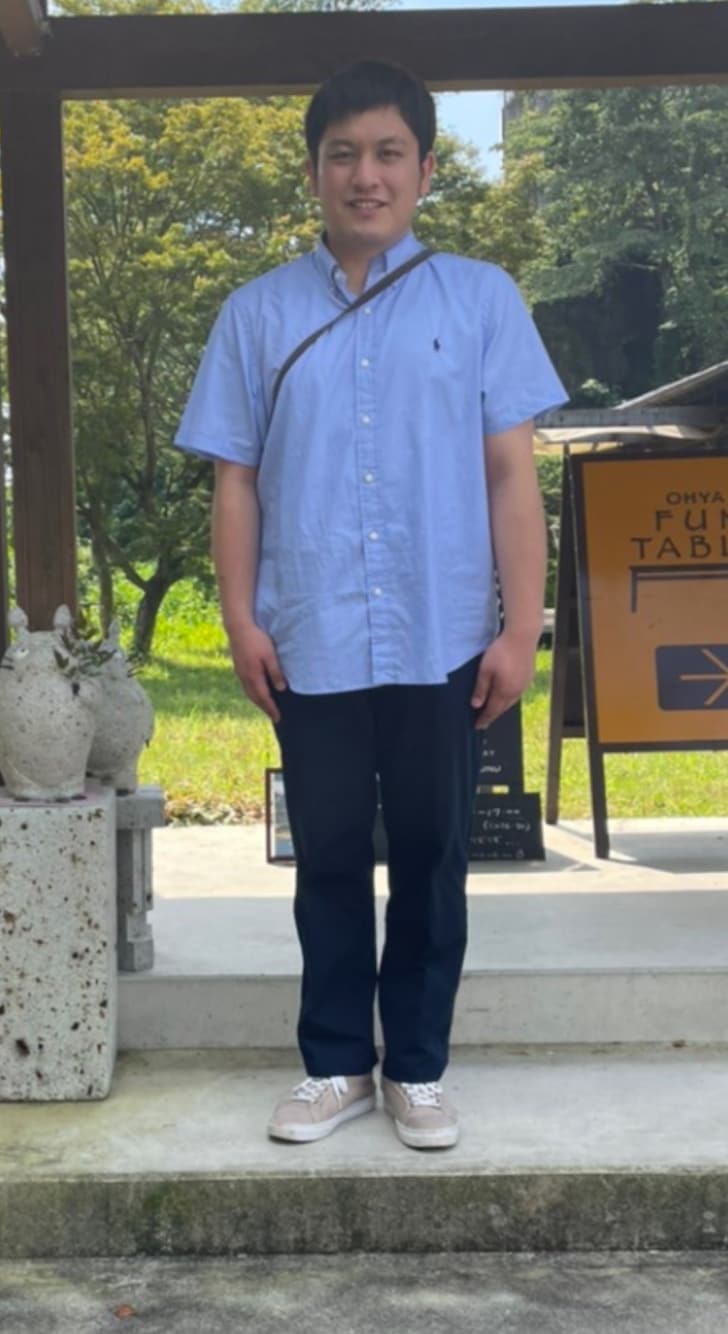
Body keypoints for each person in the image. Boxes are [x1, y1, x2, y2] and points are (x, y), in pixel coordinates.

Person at [174, 60, 566, 1150]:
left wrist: (519, 628)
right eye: (343, 154)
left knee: (435, 851)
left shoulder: (480, 299)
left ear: (426, 170)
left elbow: (510, 476)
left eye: (389, 153)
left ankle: (420, 1068)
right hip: (314, 634)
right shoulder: (256, 315)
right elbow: (237, 481)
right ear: (313, 172)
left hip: (444, 631)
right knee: (331, 853)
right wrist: (241, 620)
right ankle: (337, 1061)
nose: (366, 175)